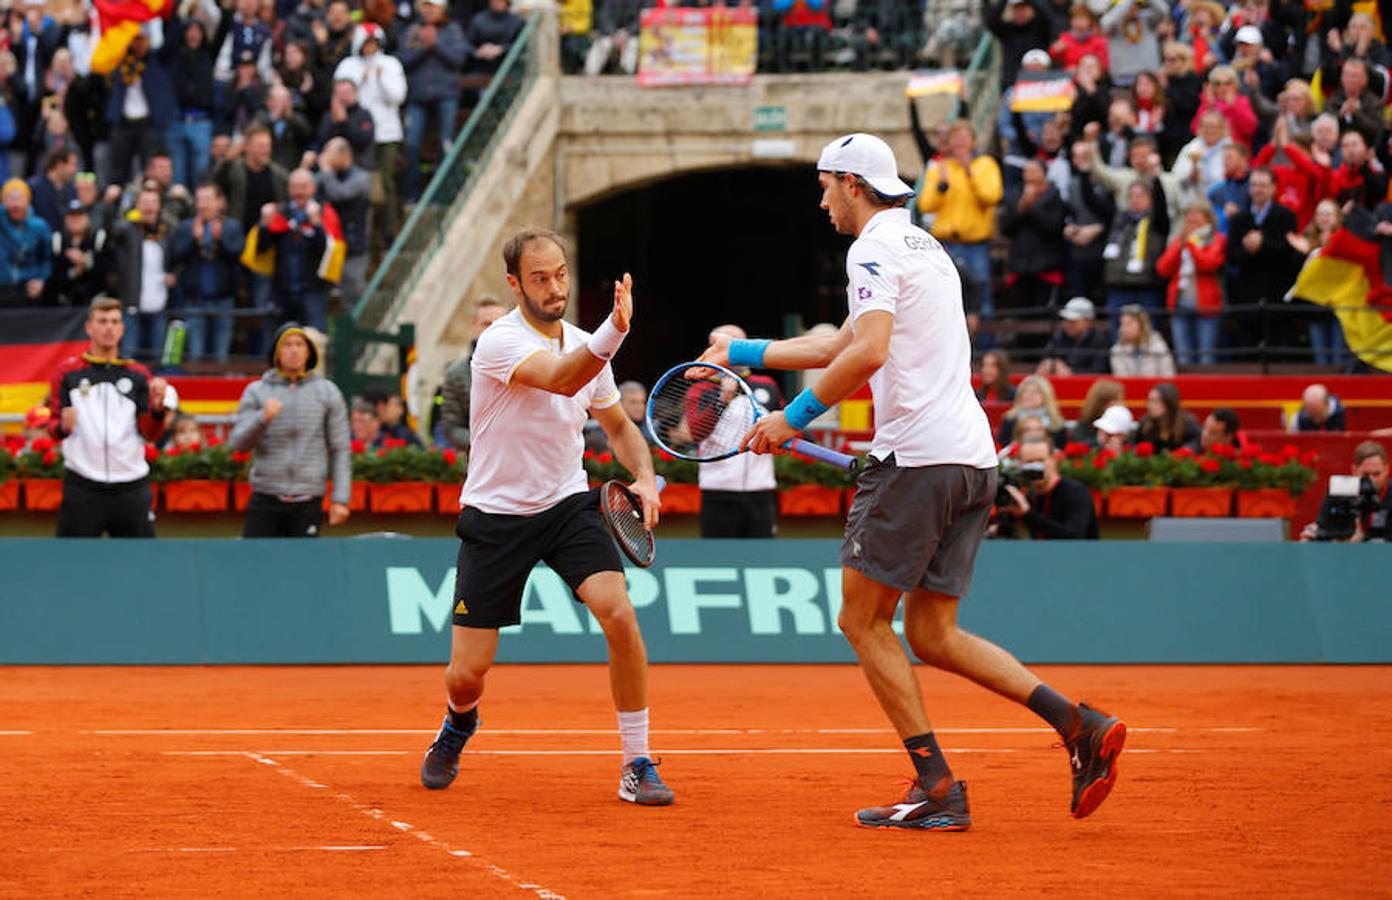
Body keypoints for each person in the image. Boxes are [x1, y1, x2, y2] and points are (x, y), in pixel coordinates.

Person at [699, 133, 1124, 829]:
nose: (821, 200)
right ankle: (1080, 725)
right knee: (932, 632)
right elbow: (844, 342)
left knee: (860, 620)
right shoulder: (924, 246)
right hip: (970, 460)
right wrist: (741, 351)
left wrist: (793, 416)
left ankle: (937, 787)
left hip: (919, 460)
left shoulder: (868, 248)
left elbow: (865, 353)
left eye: (825, 185)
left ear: (852, 185)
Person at [419, 228, 674, 808]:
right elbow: (562, 378)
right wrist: (617, 330)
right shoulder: (499, 343)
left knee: (619, 614)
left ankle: (636, 761)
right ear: (514, 284)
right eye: (540, 277)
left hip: (567, 506)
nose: (555, 286)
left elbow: (617, 427)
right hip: (496, 515)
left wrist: (642, 475)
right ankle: (459, 723)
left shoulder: (588, 344)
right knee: (467, 675)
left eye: (560, 274)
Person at [46, 296, 170, 537]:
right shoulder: (67, 372)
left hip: (131, 487)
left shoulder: (138, 374)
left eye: (115, 322)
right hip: (83, 485)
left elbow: (150, 433)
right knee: (72, 564)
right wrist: (62, 426)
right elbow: (51, 425)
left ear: (122, 329)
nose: (109, 328)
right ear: (89, 327)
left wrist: (157, 411)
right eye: (102, 321)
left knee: (140, 566)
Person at [229, 322, 351, 537]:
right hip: (266, 495)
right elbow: (239, 443)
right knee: (254, 566)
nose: (294, 350)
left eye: (299, 344)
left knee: (302, 568)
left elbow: (341, 448)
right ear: (277, 352)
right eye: (287, 345)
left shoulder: (327, 392)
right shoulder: (257, 391)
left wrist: (340, 499)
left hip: (308, 499)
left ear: (309, 352)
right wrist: (262, 418)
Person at [696, 323, 783, 539]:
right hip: (718, 491)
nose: (735, 352)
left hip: (761, 491)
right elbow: (697, 433)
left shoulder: (767, 385)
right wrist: (722, 400)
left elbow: (785, 426)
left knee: (762, 558)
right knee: (718, 558)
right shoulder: (701, 388)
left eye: (740, 345)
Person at [917, 120, 1004, 323]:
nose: (960, 143)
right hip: (946, 242)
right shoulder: (939, 167)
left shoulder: (985, 165)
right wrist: (942, 186)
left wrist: (969, 173)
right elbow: (925, 204)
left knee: (981, 296)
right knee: (944, 295)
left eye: (964, 138)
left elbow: (992, 196)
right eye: (956, 138)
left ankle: (984, 348)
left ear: (973, 141)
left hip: (975, 244)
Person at [335, 24, 407, 243]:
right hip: (357, 135)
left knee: (386, 183)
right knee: (356, 183)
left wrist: (380, 79)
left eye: (373, 42)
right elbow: (340, 95)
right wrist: (363, 81)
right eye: (366, 43)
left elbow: (398, 96)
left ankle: (389, 232)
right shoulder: (348, 65)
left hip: (386, 134)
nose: (370, 47)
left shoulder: (390, 64)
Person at [169, 182, 245, 363]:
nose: (203, 205)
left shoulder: (232, 226)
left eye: (208, 199)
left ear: (220, 202)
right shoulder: (186, 227)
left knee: (221, 356)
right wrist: (194, 240)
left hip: (224, 299)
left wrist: (221, 239)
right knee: (195, 354)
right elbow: (175, 256)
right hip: (194, 299)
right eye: (200, 200)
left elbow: (238, 257)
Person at [400, 0, 467, 205]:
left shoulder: (453, 29)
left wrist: (435, 45)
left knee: (445, 144)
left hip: (446, 95)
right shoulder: (413, 29)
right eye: (424, 6)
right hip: (417, 96)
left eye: (432, 6)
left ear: (442, 9)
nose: (428, 10)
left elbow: (459, 59)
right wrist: (426, 47)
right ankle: (412, 195)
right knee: (411, 145)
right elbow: (403, 60)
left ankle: (443, 196)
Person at [1155, 201, 1226, 366]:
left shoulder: (1216, 239)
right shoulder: (1179, 240)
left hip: (1207, 303)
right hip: (1179, 302)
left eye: (1196, 214)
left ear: (1207, 218)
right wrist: (1179, 246)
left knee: (1206, 355)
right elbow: (1162, 268)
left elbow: (1209, 264)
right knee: (1183, 355)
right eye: (1188, 214)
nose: (1191, 218)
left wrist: (1191, 245)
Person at [110, 186, 173, 359]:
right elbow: (112, 230)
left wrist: (173, 275)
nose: (149, 207)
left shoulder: (166, 232)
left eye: (153, 202)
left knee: (159, 356)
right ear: (137, 206)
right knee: (128, 354)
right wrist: (128, 216)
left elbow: (176, 261)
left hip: (159, 303)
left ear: (159, 206)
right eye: (145, 202)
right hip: (132, 304)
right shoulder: (129, 229)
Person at [439, 295, 508, 451]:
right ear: (474, 325)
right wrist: (488, 444)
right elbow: (451, 428)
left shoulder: (527, 366)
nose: (493, 330)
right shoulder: (455, 374)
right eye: (486, 324)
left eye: (500, 324)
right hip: (479, 463)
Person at [1001, 434, 1100, 539]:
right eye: (1029, 462)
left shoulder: (1076, 492)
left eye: (1040, 461)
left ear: (1053, 460)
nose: (1035, 467)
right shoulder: (1030, 496)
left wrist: (1028, 514)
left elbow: (1073, 537)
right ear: (1021, 465)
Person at [315, 137, 371, 306]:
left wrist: (325, 170)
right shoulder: (328, 175)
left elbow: (339, 194)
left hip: (352, 247)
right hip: (328, 246)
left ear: (344, 155)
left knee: (354, 294)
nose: (325, 158)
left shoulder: (361, 177)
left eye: (329, 153)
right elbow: (307, 189)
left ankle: (360, 331)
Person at [1300, 441, 1390, 542]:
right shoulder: (1340, 490)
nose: (1371, 480)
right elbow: (1323, 525)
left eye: (1376, 474)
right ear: (1354, 470)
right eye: (1365, 475)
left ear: (1387, 469)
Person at [0, 178, 51, 305]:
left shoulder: (39, 226)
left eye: (19, 199)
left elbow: (47, 258)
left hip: (28, 290)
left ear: (28, 201)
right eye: (10, 199)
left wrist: (41, 279)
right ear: (3, 201)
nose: (15, 205)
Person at [47, 200, 106, 307]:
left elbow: (106, 270)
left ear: (87, 218)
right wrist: (74, 271)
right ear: (65, 219)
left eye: (80, 215)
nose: (76, 219)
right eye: (72, 215)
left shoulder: (98, 238)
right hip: (64, 302)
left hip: (94, 301)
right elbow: (53, 274)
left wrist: (86, 262)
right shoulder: (58, 240)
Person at [1039, 296, 1110, 375]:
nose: (1067, 324)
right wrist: (1048, 365)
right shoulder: (1058, 337)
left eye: (1073, 321)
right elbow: (1046, 361)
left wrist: (1071, 373)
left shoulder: (1100, 341)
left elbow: (1099, 371)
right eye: (1065, 320)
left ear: (1088, 321)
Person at [998, 372, 1067, 446]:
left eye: (1033, 392)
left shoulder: (1056, 423)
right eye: (1024, 392)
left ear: (1045, 396)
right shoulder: (1010, 419)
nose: (1026, 395)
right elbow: (1003, 447)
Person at [1109, 304, 1176, 376]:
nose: (1124, 329)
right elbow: (1121, 380)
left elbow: (1168, 377)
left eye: (1129, 324)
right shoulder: (1117, 350)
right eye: (1122, 324)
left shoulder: (1158, 346)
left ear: (1142, 324)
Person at [1135, 382, 1200, 451]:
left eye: (1155, 401)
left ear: (1169, 402)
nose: (1149, 405)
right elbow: (1133, 443)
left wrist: (1184, 451)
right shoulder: (1145, 423)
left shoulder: (1188, 423)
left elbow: (1199, 442)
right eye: (1149, 400)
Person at [1072, 377, 1124, 444]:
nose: (1122, 404)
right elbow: (1079, 446)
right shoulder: (1085, 423)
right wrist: (1098, 441)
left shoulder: (1120, 421)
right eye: (1118, 400)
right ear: (1105, 403)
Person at [618, 380, 654, 445]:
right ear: (620, 403)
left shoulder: (654, 430)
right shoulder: (599, 430)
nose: (640, 407)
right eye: (633, 402)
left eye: (642, 402)